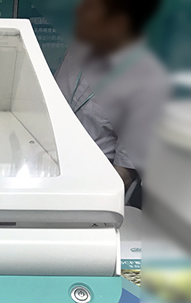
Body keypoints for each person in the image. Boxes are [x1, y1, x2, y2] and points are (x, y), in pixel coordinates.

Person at [55, 0, 170, 204]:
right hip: (50, 159)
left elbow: (123, 173)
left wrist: (82, 200)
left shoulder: (147, 81)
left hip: (92, 178)